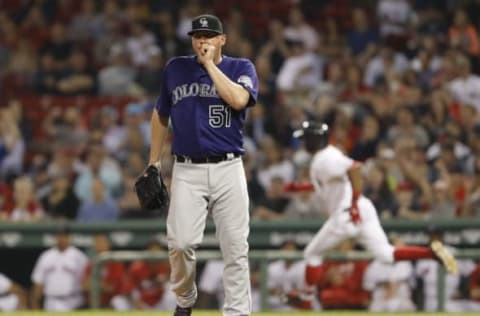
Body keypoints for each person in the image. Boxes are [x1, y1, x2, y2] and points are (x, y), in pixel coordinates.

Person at [146, 14, 258, 316]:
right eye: (197, 35)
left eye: (209, 35)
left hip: (228, 167)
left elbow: (238, 99)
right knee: (180, 244)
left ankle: (237, 312)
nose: (202, 41)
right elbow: (160, 114)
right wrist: (153, 163)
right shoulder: (175, 69)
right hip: (187, 169)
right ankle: (185, 299)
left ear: (222, 39)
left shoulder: (241, 67)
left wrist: (210, 66)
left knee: (235, 248)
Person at [286, 121, 458, 302]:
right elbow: (330, 183)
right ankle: (431, 253)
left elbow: (355, 168)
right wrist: (300, 187)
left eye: (306, 139)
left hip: (348, 212)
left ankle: (305, 299)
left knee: (311, 254)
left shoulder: (325, 159)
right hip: (362, 208)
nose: (304, 143)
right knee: (386, 253)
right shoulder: (327, 156)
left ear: (315, 140)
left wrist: (352, 204)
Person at [30, 224, 89, 311]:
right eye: (58, 235)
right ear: (55, 237)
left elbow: (86, 281)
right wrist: (35, 307)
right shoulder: (46, 256)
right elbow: (38, 283)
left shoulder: (79, 256)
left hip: (73, 302)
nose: (61, 238)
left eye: (64, 235)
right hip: (50, 302)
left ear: (70, 237)